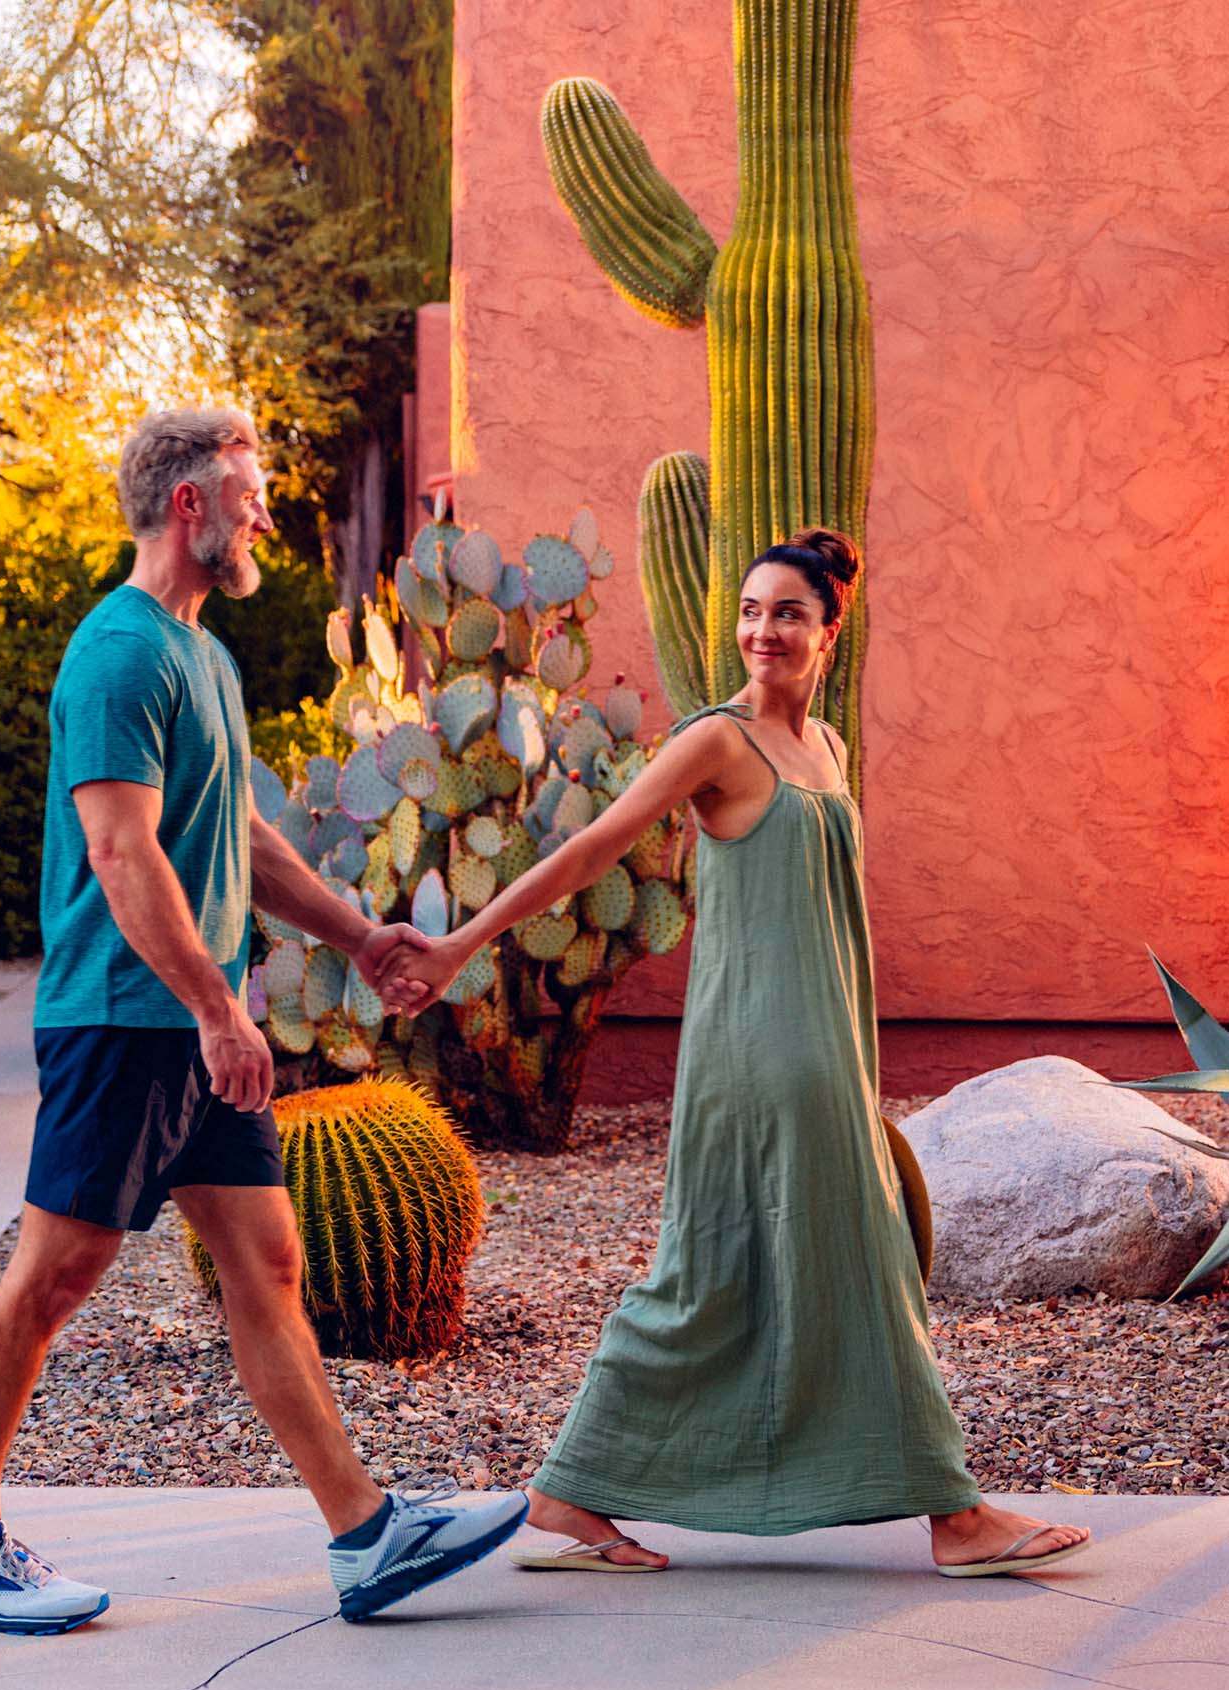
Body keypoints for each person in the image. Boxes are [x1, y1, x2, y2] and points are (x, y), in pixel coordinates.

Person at [0, 409, 527, 1634]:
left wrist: (357, 937)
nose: (260, 514)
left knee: (268, 1263)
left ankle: (364, 1536)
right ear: (188, 504)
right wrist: (212, 1010)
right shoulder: (119, 655)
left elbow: (230, 839)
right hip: (124, 1021)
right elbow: (121, 851)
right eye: (245, 492)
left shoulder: (208, 659)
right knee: (56, 1275)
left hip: (189, 1023)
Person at [391, 528, 1090, 1579]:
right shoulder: (720, 742)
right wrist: (458, 944)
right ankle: (954, 1516)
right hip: (768, 1052)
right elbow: (594, 846)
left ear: (829, 631)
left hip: (823, 1045)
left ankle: (568, 1494)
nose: (764, 630)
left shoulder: (828, 750)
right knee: (864, 1259)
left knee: (711, 1274)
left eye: (788, 614)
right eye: (753, 611)